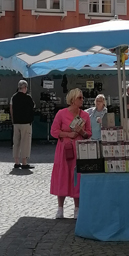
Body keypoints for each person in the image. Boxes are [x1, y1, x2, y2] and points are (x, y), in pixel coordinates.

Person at [50, 88, 92, 220]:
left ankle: (77, 209)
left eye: (82, 98)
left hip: (79, 150)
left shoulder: (84, 115)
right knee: (63, 175)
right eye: (80, 98)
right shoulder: (61, 113)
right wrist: (68, 134)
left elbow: (89, 133)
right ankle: (60, 208)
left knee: (77, 177)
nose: (82, 100)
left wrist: (82, 132)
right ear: (73, 99)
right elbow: (54, 131)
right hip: (64, 150)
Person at [10, 80, 35, 170]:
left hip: (16, 123)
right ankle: (24, 162)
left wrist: (13, 120)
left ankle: (16, 162)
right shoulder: (28, 97)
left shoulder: (13, 97)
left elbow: (11, 109)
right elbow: (33, 107)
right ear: (24, 87)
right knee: (25, 142)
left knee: (16, 142)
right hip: (26, 123)